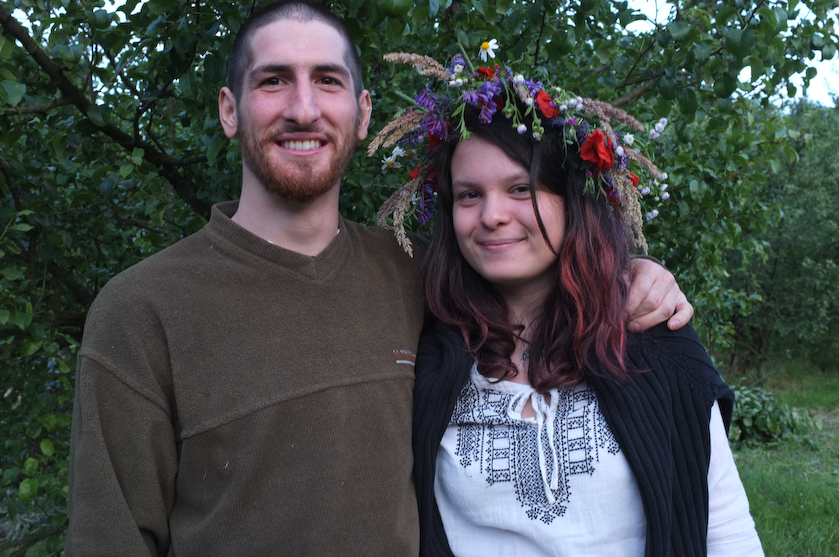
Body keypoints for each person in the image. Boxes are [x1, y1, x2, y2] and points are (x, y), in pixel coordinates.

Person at [66, 2, 692, 555]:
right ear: (230, 111)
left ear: (363, 113)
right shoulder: (143, 310)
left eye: (328, 80)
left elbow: (533, 274)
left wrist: (635, 274)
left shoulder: (420, 275)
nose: (303, 108)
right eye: (273, 80)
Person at [370, 52, 763, 556]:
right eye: (469, 195)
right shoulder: (424, 348)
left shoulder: (654, 336)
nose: (491, 215)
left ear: (572, 199)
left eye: (520, 188)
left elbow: (725, 531)